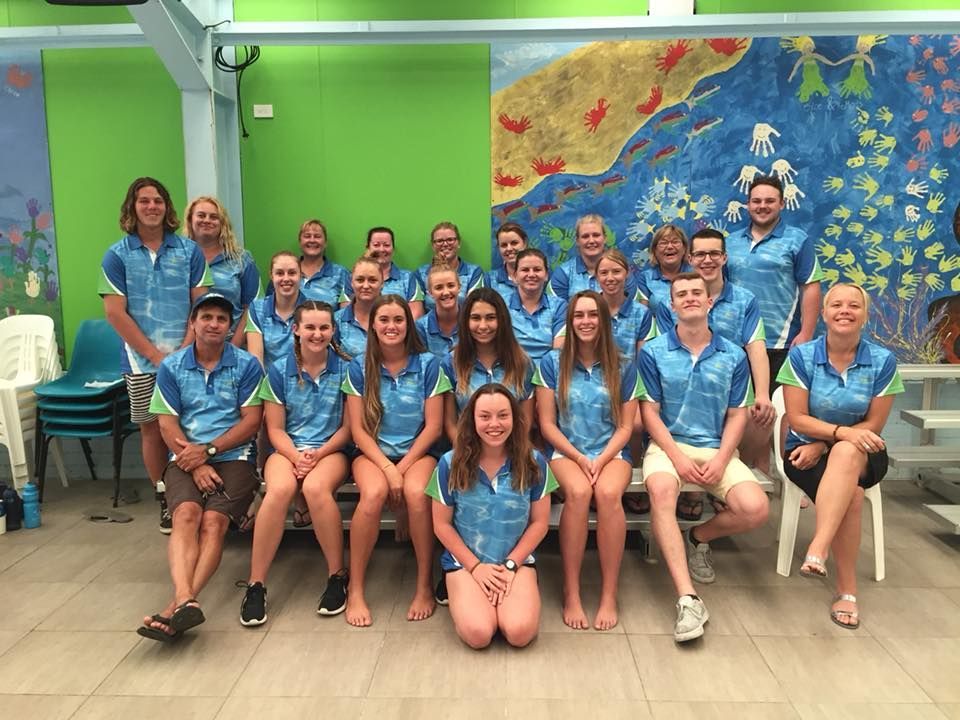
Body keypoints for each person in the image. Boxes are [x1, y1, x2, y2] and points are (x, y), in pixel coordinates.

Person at [638, 273, 769, 642]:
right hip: (667, 446)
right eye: (682, 295)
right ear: (673, 305)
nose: (691, 298)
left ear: (709, 302)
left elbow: (737, 414)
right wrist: (676, 457)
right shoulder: (653, 352)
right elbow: (650, 412)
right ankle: (687, 598)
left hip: (717, 447)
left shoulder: (733, 355)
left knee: (755, 509)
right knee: (662, 491)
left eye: (697, 293)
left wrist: (723, 457)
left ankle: (698, 537)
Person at [137, 292, 264, 641]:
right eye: (206, 317)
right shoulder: (172, 366)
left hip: (234, 457)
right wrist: (193, 463)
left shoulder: (246, 365)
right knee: (186, 515)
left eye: (222, 319)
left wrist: (208, 451)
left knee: (213, 521)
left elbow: (251, 422)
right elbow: (166, 424)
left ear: (229, 327)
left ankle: (175, 606)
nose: (214, 324)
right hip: (184, 457)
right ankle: (185, 600)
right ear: (192, 323)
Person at [777, 283, 904, 630]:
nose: (844, 310)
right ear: (823, 314)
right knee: (853, 495)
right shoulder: (802, 357)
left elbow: (873, 426)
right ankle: (846, 591)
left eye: (853, 305)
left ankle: (818, 545)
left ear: (865, 315)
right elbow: (798, 418)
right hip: (804, 452)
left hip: (865, 452)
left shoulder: (882, 361)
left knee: (849, 451)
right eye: (836, 304)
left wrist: (829, 443)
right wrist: (832, 439)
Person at [100, 177, 212, 533]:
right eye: (144, 201)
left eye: (158, 201)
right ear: (132, 208)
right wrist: (155, 355)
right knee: (151, 431)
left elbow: (202, 303)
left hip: (188, 356)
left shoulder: (188, 251)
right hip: (141, 363)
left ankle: (195, 492)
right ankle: (165, 495)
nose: (152, 207)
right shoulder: (116, 255)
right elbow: (115, 313)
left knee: (189, 425)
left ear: (167, 207)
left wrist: (183, 350)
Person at [239, 301, 353, 625]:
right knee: (278, 491)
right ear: (296, 329)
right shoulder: (278, 371)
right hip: (288, 450)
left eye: (324, 327)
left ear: (333, 331)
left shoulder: (347, 370)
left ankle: (336, 576)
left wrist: (316, 456)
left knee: (316, 489)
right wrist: (295, 457)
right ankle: (256, 584)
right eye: (310, 327)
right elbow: (274, 428)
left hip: (331, 451)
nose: (317, 334)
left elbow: (347, 428)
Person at [341, 294, 451, 626]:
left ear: (409, 324)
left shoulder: (430, 364)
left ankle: (422, 585)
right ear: (372, 325)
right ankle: (356, 589)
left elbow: (433, 427)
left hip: (418, 453)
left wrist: (401, 469)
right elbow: (358, 430)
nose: (391, 326)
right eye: (384, 320)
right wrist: (389, 469)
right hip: (372, 454)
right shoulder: (357, 366)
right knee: (372, 494)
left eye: (398, 320)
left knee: (418, 494)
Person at [535, 290, 640, 631]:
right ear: (570, 321)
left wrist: (602, 457)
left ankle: (609, 593)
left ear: (603, 321)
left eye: (592, 315)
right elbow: (547, 424)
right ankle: (572, 590)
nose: (586, 321)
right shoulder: (551, 363)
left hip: (613, 451)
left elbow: (626, 426)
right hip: (566, 450)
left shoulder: (623, 365)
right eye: (578, 315)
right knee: (579, 494)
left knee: (609, 495)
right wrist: (580, 457)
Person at [427, 383, 557, 649]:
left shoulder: (534, 462)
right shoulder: (449, 463)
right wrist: (476, 568)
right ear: (472, 420)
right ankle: (467, 593)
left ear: (515, 418)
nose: (494, 424)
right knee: (479, 634)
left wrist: (511, 565)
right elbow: (441, 525)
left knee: (520, 633)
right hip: (466, 563)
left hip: (514, 563)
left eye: (503, 415)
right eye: (484, 416)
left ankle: (512, 594)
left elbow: (540, 523)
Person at [654, 229, 773, 516]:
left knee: (762, 415)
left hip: (726, 385)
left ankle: (727, 479)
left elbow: (755, 346)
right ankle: (693, 492)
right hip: (683, 386)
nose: (707, 260)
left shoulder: (744, 300)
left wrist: (763, 393)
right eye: (700, 254)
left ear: (724, 257)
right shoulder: (672, 300)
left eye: (714, 253)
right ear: (690, 258)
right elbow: (659, 352)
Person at [725, 174, 824, 380]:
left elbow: (810, 287)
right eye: (756, 201)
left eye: (769, 201)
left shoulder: (797, 240)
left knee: (775, 410)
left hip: (780, 343)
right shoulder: (730, 242)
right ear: (748, 204)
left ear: (782, 203)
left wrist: (806, 334)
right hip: (736, 342)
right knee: (740, 410)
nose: (762, 206)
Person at [596, 247, 655, 515]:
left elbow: (644, 358)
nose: (610, 277)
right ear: (596, 276)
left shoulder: (641, 314)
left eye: (616, 271)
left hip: (630, 385)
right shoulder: (589, 308)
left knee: (637, 423)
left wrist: (636, 393)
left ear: (627, 273)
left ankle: (631, 477)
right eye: (604, 272)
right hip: (594, 383)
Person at [441, 288, 534, 444]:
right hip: (466, 452)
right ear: (466, 322)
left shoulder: (523, 362)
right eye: (476, 318)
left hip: (512, 452)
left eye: (490, 318)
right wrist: (466, 456)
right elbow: (450, 424)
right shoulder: (450, 363)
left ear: (502, 320)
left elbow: (525, 421)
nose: (483, 326)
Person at [185, 196, 259, 346]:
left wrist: (232, 348)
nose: (207, 220)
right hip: (188, 349)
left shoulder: (242, 259)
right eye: (201, 215)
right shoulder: (179, 259)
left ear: (223, 223)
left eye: (214, 217)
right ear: (190, 220)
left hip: (232, 344)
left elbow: (252, 308)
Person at [549, 214, 637, 300]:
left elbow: (632, 308)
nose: (591, 241)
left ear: (605, 238)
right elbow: (556, 310)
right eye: (585, 236)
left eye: (596, 235)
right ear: (577, 241)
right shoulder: (563, 273)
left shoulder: (621, 269)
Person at [245, 251, 306, 368]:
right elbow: (256, 361)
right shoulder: (257, 309)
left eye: (292, 273)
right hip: (267, 383)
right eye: (280, 273)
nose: (286, 278)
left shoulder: (312, 310)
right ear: (271, 276)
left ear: (301, 275)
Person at [351, 226, 424, 318]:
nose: (381, 249)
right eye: (376, 245)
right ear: (367, 247)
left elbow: (416, 313)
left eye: (386, 245)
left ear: (393, 248)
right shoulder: (354, 277)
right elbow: (346, 312)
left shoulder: (408, 278)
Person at [509, 248, 567, 362]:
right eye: (525, 270)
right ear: (515, 276)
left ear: (546, 275)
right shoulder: (501, 305)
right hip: (511, 371)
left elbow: (558, 351)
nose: (531, 274)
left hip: (548, 373)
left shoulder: (560, 306)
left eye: (537, 269)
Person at [417, 221, 483, 310]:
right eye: (439, 241)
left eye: (450, 240)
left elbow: (473, 308)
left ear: (459, 243)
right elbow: (418, 310)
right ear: (433, 245)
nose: (445, 244)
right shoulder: (420, 274)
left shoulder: (474, 272)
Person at [334, 255, 384, 359]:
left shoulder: (393, 318)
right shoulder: (336, 320)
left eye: (372, 280)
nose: (366, 286)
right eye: (360, 280)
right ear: (352, 283)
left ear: (382, 283)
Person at [636, 223, 691, 317]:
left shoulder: (695, 274)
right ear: (654, 251)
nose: (669, 247)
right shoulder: (645, 278)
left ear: (685, 248)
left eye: (675, 242)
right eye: (663, 243)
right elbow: (641, 315)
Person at [296, 219, 350, 306]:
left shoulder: (341, 274)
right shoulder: (286, 272)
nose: (312, 240)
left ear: (325, 243)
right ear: (300, 241)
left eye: (317, 236)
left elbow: (346, 313)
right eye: (307, 236)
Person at [415, 262, 460, 355]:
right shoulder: (420, 327)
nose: (446, 292)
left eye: (451, 285)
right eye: (439, 288)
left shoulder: (472, 321)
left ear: (459, 287)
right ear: (430, 293)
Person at [486, 222, 529, 297]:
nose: (509, 248)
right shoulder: (490, 279)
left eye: (514, 243)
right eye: (504, 245)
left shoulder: (540, 274)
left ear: (524, 243)